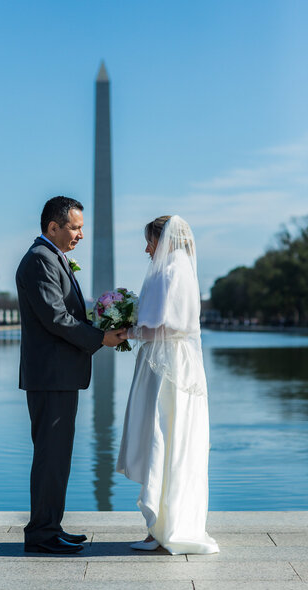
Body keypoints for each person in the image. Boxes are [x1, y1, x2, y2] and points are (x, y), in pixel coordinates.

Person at [16, 196, 123, 554]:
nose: (80, 234)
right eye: (75, 227)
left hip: (58, 374)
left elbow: (65, 313)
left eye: (81, 227)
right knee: (51, 454)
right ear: (53, 227)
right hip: (51, 376)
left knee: (57, 454)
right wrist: (100, 338)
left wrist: (105, 321)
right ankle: (42, 534)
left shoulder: (53, 258)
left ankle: (50, 526)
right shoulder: (39, 260)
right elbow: (55, 317)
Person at [116, 215, 219, 555]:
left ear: (165, 240)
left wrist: (124, 331)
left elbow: (164, 327)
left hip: (164, 367)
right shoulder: (182, 268)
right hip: (179, 365)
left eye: (150, 241)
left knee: (160, 434)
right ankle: (169, 523)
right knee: (177, 439)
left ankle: (160, 527)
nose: (147, 248)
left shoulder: (169, 271)